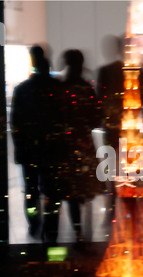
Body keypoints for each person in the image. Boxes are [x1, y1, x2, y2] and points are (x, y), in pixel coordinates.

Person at [11, 45, 65, 243]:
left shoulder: (22, 90)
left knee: (31, 191)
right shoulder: (56, 88)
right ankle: (51, 229)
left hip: (29, 150)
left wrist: (19, 150)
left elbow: (16, 124)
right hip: (51, 150)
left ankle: (35, 224)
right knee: (52, 191)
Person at [60, 49, 102, 243]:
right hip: (84, 143)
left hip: (67, 145)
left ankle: (77, 231)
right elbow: (97, 118)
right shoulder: (86, 89)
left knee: (71, 190)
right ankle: (86, 232)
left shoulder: (61, 89)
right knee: (85, 189)